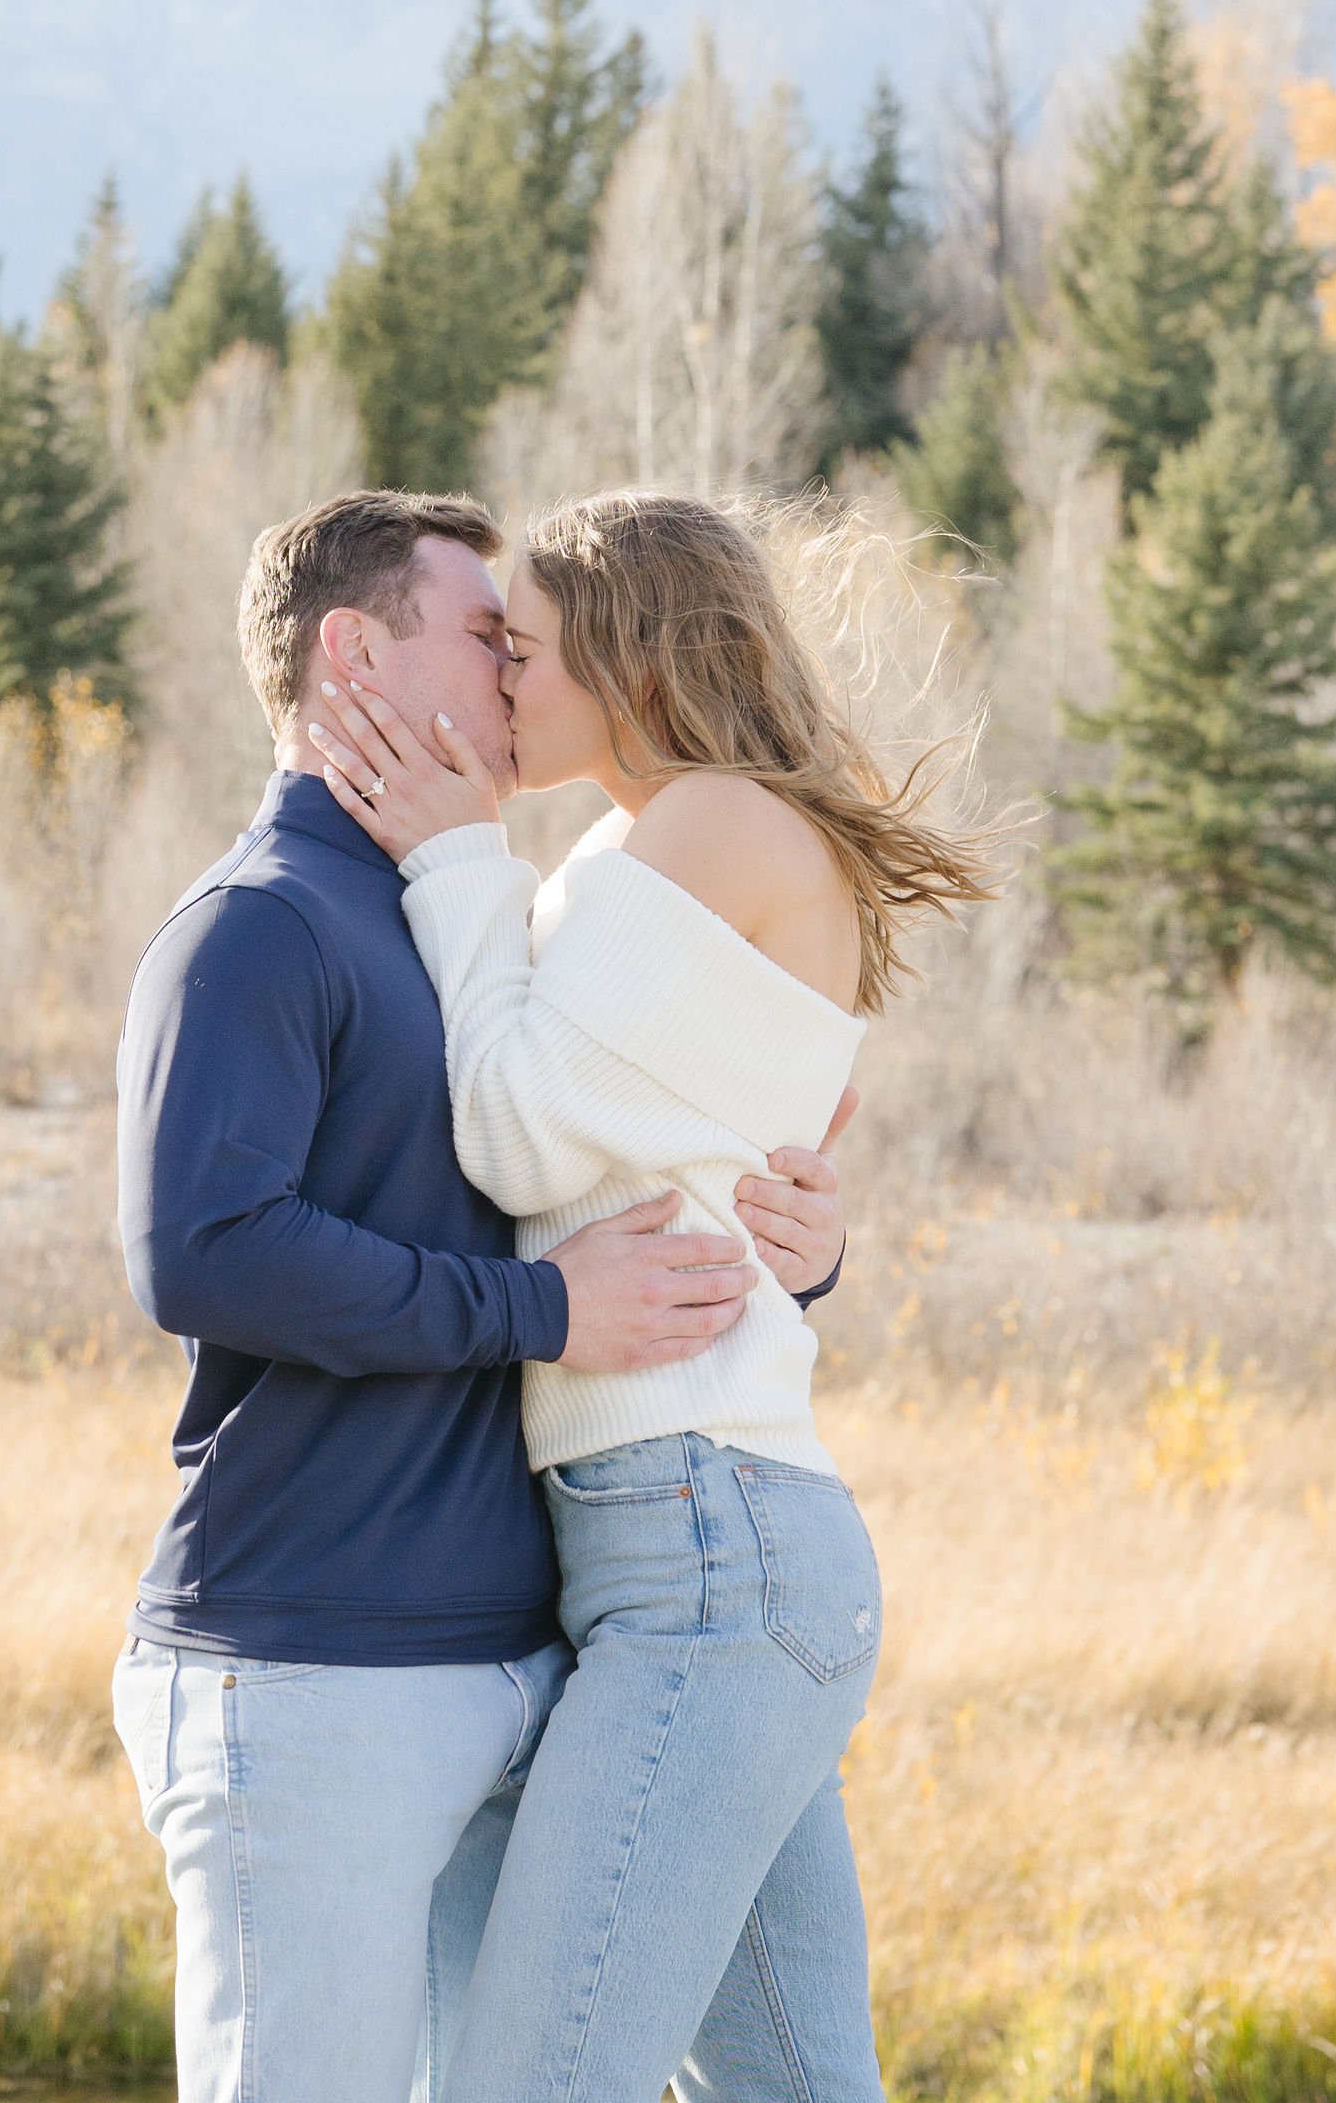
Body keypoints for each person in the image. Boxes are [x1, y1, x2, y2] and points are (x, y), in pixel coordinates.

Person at [111, 490, 853, 2103]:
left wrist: (793, 1232)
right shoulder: (264, 927)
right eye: (482, 637)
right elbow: (204, 1251)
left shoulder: (470, 903)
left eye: (529, 647)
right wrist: (544, 1316)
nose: (513, 678)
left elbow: (611, 1151)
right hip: (315, 1656)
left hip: (546, 1640)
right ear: (353, 654)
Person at [307, 489, 994, 2103]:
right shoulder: (654, 839)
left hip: (708, 1550)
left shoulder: (710, 824)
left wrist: (459, 860)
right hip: (692, 1548)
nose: (501, 687)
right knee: (796, 2086)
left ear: (625, 651)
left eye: (523, 649)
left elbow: (519, 1124)